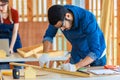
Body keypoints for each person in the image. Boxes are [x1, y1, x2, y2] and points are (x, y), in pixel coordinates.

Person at [39, 5, 106, 71]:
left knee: (95, 77)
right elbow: (49, 35)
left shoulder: (88, 19)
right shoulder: (57, 16)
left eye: (62, 25)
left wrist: (76, 66)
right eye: (59, 27)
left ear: (67, 16)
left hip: (97, 54)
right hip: (77, 51)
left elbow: (95, 52)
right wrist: (45, 54)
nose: (62, 29)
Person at [0, 0, 22, 69]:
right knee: (3, 66)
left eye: (2, 5)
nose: (1, 8)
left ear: (7, 3)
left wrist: (11, 47)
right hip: (2, 42)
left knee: (18, 67)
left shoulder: (14, 12)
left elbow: (15, 31)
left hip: (14, 41)